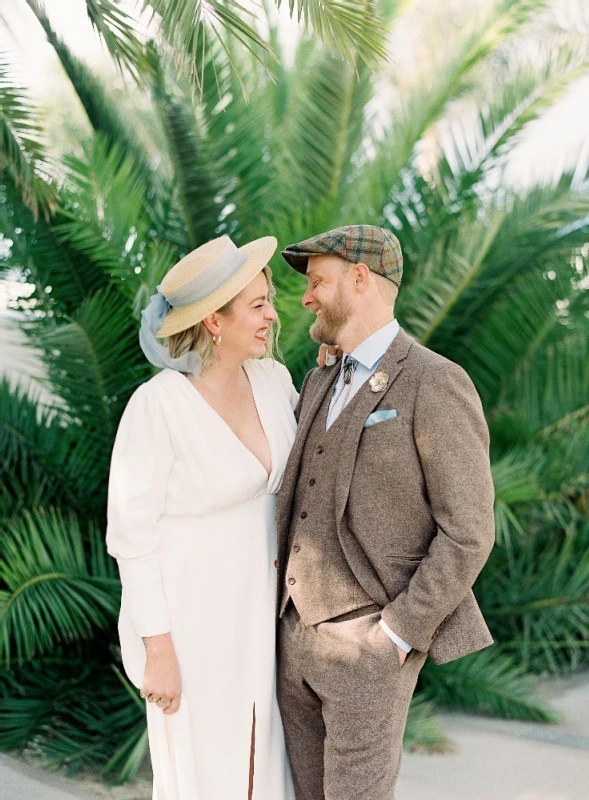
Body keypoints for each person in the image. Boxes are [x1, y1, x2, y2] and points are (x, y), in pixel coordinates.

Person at [276, 225, 496, 800]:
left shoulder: (435, 381)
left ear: (360, 278)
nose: (305, 297)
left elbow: (469, 532)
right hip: (291, 638)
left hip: (369, 644)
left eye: (317, 281)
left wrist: (398, 633)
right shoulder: (322, 375)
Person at [106, 234, 305, 800]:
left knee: (263, 768)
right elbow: (132, 538)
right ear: (215, 322)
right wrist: (160, 652)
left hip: (263, 614)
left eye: (270, 300)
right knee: (201, 773)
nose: (273, 314)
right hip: (190, 624)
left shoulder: (273, 382)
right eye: (258, 305)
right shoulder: (158, 405)